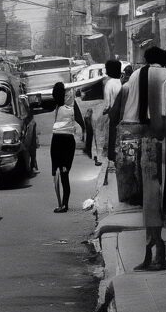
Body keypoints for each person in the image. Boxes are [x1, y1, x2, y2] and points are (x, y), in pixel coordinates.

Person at [115, 46, 166, 271]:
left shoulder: (136, 75)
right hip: (154, 138)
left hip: (132, 136)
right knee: (155, 196)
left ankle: (152, 250)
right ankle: (157, 250)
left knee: (147, 198)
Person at [50, 82, 85, 213]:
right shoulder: (71, 104)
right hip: (68, 141)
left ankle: (62, 204)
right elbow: (80, 120)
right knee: (65, 173)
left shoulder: (57, 104)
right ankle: (64, 204)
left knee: (57, 172)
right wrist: (84, 131)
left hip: (57, 141)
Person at [93, 59, 123, 166]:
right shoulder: (121, 82)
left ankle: (105, 159)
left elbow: (107, 105)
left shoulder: (109, 84)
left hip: (111, 115)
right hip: (121, 115)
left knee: (108, 137)